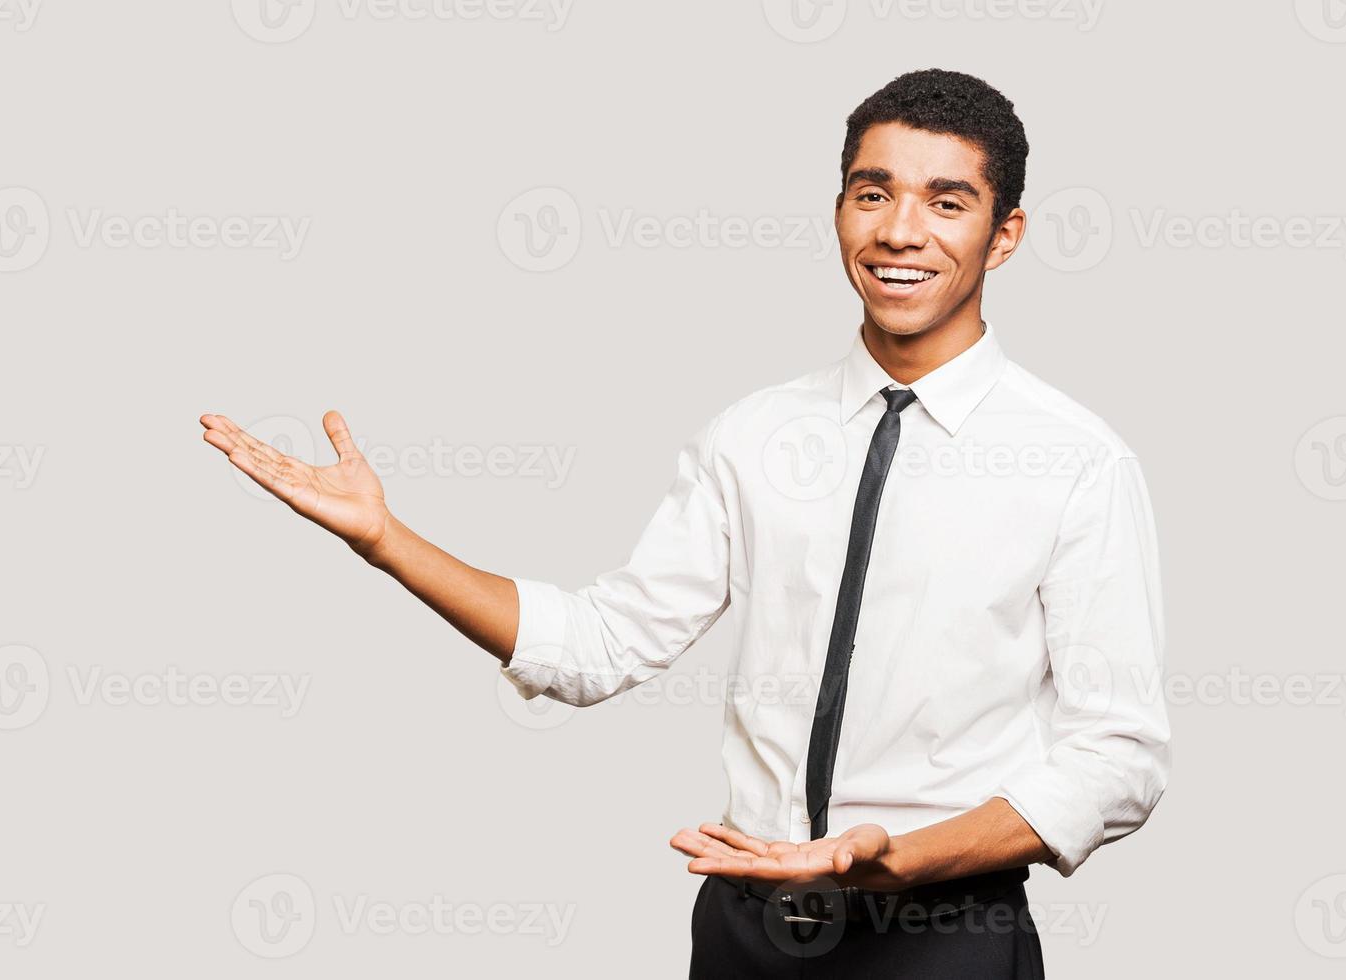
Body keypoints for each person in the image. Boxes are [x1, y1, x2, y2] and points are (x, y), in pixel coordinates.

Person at [199, 68, 1169, 978]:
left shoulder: (1077, 463)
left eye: (947, 201)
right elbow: (598, 643)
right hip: (748, 929)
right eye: (872, 193)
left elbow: (1117, 758)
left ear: (1005, 233)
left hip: (942, 935)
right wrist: (385, 539)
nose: (900, 231)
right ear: (838, 209)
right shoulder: (750, 436)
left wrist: (897, 858)